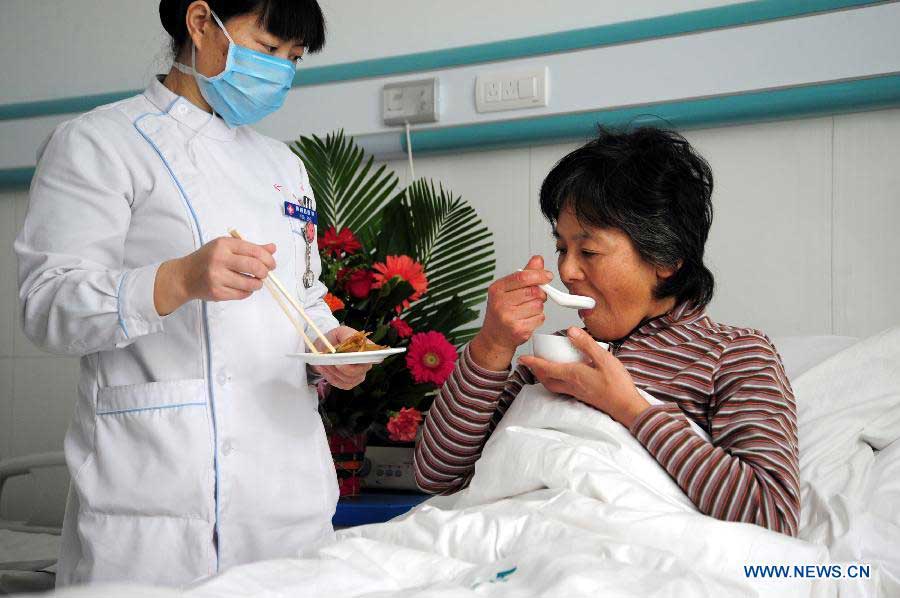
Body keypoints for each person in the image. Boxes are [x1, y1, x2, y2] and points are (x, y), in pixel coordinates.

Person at [15, 0, 370, 586]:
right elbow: (47, 304)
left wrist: (331, 349)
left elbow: (304, 297)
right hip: (157, 497)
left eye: (294, 58)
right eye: (268, 48)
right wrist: (175, 280)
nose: (281, 69)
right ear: (202, 23)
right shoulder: (100, 142)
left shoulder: (282, 164)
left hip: (287, 492)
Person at [414, 127, 801, 537]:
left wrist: (629, 408)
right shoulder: (555, 355)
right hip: (513, 543)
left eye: (589, 251)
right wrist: (492, 343)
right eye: (562, 248)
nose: (565, 271)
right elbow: (438, 475)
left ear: (666, 257)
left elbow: (771, 515)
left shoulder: (734, 354)